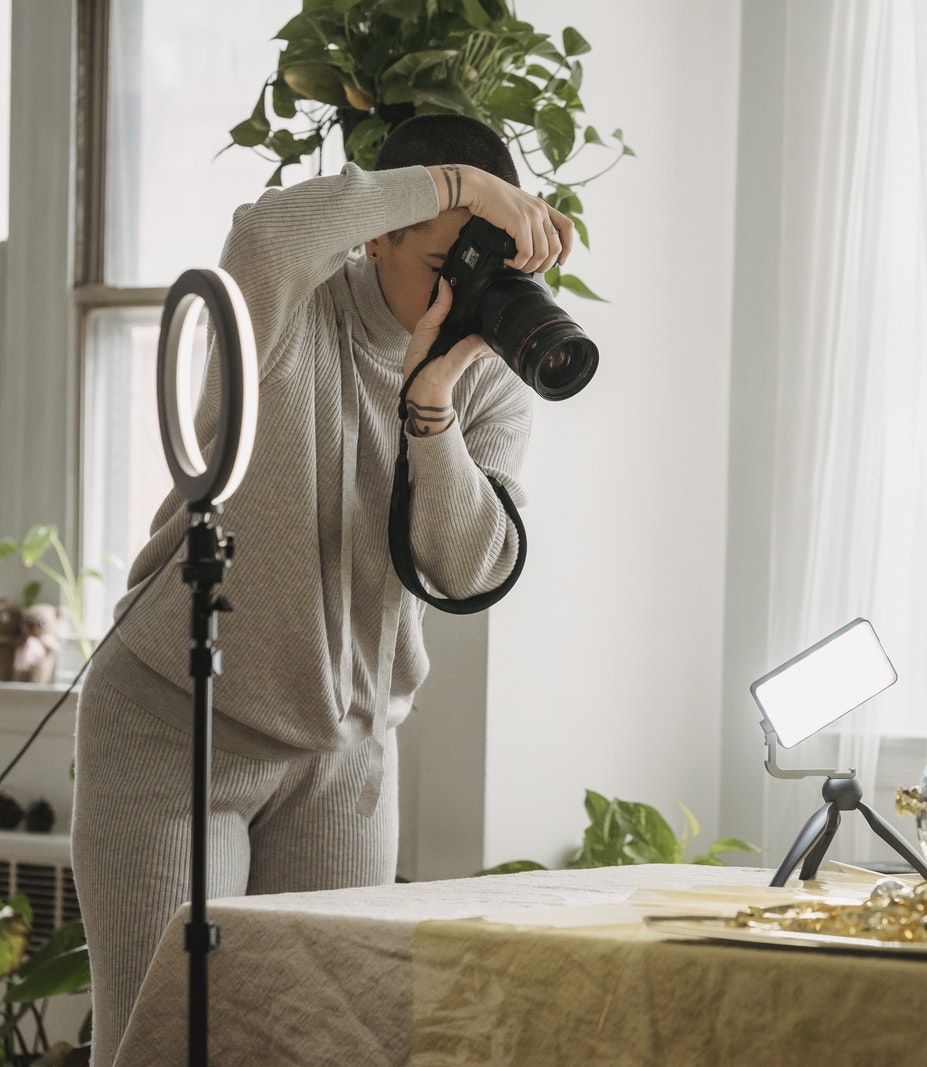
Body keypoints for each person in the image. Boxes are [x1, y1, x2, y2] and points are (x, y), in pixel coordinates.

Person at [69, 114, 572, 1066]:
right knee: (162, 1044)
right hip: (180, 724)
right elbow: (263, 232)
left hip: (343, 752)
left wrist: (431, 406)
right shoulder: (289, 300)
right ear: (379, 230)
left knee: (326, 1049)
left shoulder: (487, 378)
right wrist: (459, 183)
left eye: (493, 263)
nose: (468, 286)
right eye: (448, 255)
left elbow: (468, 567)